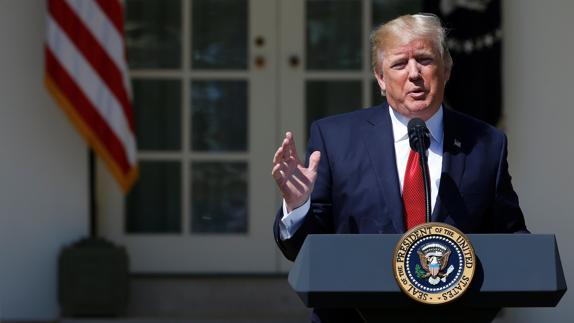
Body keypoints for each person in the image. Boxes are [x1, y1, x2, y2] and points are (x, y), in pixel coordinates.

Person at [271, 13, 528, 323]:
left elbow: (512, 241)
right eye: (399, 64)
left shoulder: (486, 143)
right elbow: (302, 250)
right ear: (380, 78)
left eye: (424, 60)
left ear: (446, 69)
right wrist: (298, 207)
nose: (414, 74)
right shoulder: (335, 139)